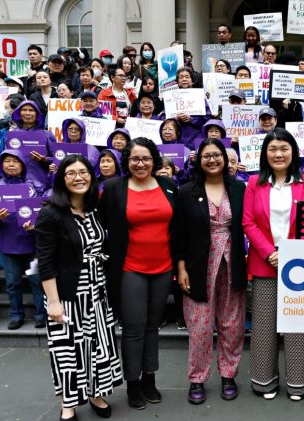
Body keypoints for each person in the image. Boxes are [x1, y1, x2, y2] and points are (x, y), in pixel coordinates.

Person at [35, 155, 123, 420]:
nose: (78, 177)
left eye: (83, 172)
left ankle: (96, 394)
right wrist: (53, 301)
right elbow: (46, 261)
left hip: (98, 292)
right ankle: (68, 404)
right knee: (68, 350)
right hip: (68, 294)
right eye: (71, 173)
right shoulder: (50, 213)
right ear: (62, 179)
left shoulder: (95, 209)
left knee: (99, 346)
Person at [98, 137, 180, 410]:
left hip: (163, 268)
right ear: (127, 161)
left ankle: (149, 379)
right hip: (130, 268)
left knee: (152, 327)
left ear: (154, 160)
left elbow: (177, 226)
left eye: (145, 158)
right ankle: (132, 383)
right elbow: (101, 225)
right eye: (135, 159)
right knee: (133, 329)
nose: (141, 163)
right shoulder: (114, 188)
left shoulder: (168, 186)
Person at [242, 127, 304, 401]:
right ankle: (265, 382)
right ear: (265, 153)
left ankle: (298, 383)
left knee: (297, 324)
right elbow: (248, 222)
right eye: (273, 149)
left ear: (293, 153)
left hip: (297, 262)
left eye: (284, 149)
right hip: (264, 262)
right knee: (264, 326)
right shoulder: (254, 183)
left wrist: (288, 252)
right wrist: (268, 252)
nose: (278, 153)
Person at [176, 139, 248, 405]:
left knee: (232, 322)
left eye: (217, 155)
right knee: (200, 325)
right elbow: (179, 233)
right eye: (206, 156)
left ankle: (229, 375)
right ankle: (197, 379)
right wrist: (181, 267)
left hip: (233, 261)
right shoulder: (186, 191)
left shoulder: (240, 188)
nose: (212, 160)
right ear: (199, 159)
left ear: (226, 158)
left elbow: (249, 223)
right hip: (198, 264)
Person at [0, 149, 47, 330]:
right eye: (7, 161)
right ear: (1, 165)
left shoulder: (35, 186)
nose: (11, 165)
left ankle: (41, 314)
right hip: (8, 243)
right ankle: (16, 314)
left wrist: (36, 225)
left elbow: (43, 212)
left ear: (22, 164)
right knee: (12, 282)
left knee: (36, 280)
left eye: (15, 161)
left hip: (32, 242)